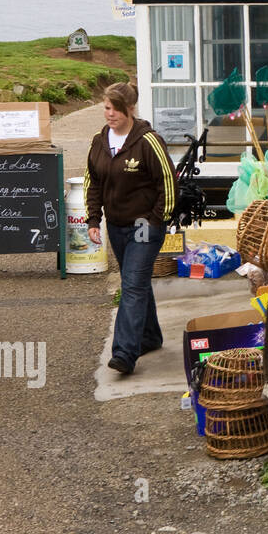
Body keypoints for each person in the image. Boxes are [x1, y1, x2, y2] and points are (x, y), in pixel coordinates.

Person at [85, 82, 177, 375]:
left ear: (129, 109)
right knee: (135, 282)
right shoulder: (99, 142)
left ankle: (124, 353)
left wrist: (155, 219)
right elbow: (94, 181)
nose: (108, 114)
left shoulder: (148, 141)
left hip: (143, 226)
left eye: (113, 108)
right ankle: (149, 337)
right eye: (106, 108)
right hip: (116, 226)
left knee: (133, 284)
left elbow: (168, 182)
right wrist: (93, 219)